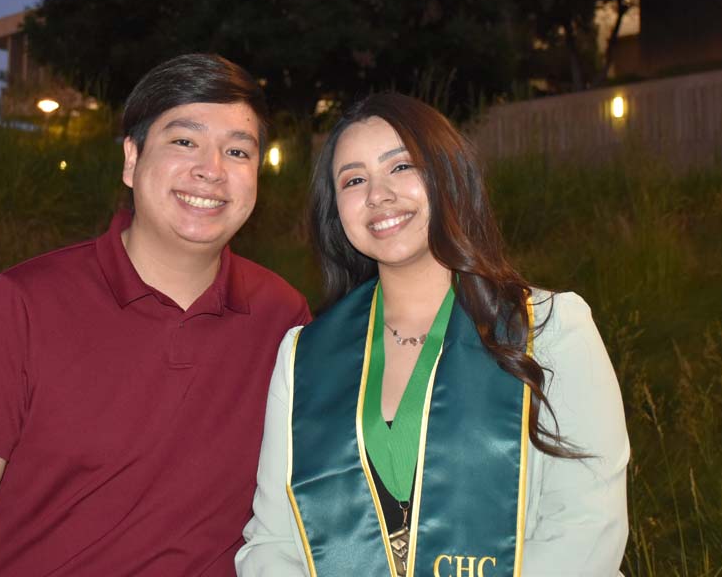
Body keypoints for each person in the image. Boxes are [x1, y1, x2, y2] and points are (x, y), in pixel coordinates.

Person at [0, 54, 311, 576]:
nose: (211, 169)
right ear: (131, 159)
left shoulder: (282, 316)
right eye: (184, 141)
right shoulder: (25, 301)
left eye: (237, 151)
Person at [237, 93, 629, 577]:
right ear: (336, 211)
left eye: (401, 167)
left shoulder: (550, 330)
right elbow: (274, 538)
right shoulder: (303, 358)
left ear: (447, 177)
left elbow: (585, 529)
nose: (378, 194)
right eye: (354, 180)